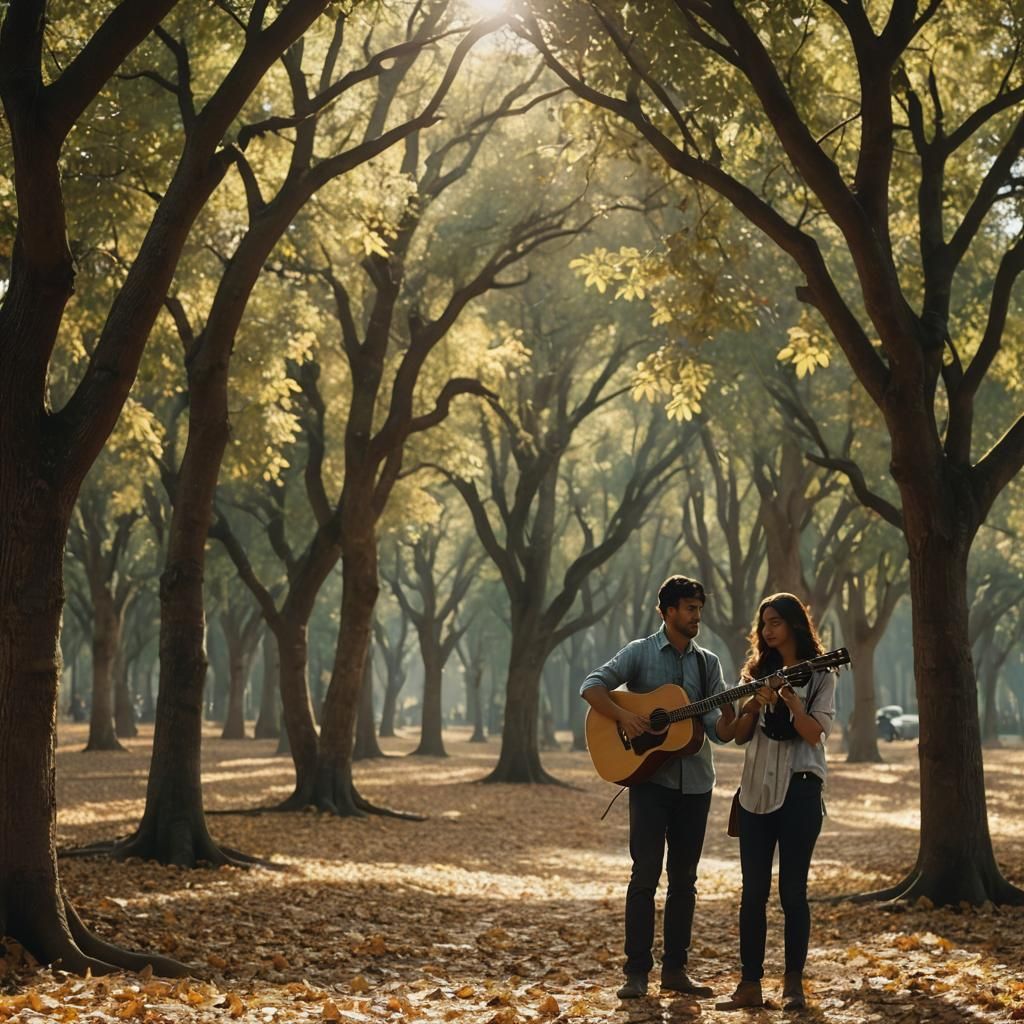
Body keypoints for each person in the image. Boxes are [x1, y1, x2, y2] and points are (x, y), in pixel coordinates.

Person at [581, 575, 738, 1000]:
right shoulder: (640, 653)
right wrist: (624, 717)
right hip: (650, 782)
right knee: (644, 875)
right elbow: (591, 686)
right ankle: (636, 972)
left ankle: (675, 970)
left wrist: (734, 710)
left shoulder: (708, 664)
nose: (696, 616)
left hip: (697, 784)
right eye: (689, 608)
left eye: (699, 609)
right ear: (667, 612)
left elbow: (720, 731)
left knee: (685, 879)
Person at [717, 593, 836, 1012]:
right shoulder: (755, 673)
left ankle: (793, 985)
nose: (768, 629)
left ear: (795, 625)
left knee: (793, 892)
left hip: (801, 790)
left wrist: (790, 701)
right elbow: (738, 736)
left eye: (776, 622)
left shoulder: (822, 676)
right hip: (754, 792)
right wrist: (753, 703)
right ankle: (749, 984)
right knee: (753, 892)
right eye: (764, 622)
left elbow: (813, 734)